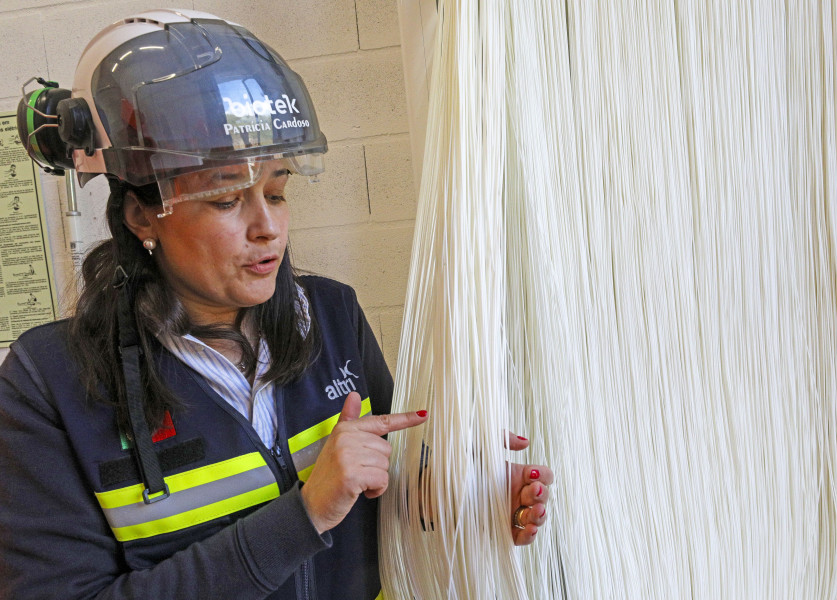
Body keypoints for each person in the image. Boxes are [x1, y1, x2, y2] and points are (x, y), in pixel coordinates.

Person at [0, 9, 553, 599]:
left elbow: (374, 491)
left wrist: (451, 494)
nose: (268, 228)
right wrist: (304, 515)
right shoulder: (49, 386)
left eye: (277, 191)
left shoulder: (333, 317)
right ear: (141, 215)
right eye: (224, 200)